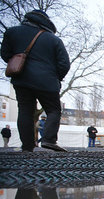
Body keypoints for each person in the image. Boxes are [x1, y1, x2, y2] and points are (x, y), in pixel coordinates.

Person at [1, 10, 70, 152]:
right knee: (53, 110)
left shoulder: (12, 33)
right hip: (47, 81)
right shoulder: (53, 39)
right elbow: (64, 64)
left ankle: (27, 146)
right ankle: (48, 140)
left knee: (25, 110)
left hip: (22, 80)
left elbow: (6, 54)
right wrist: (57, 77)